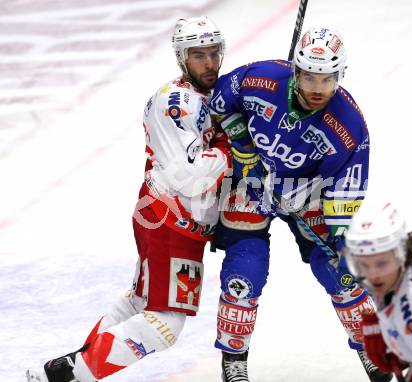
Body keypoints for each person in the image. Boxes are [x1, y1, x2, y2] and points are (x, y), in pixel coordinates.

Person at [26, 16, 231, 382]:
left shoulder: (211, 97)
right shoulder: (176, 101)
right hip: (171, 219)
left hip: (179, 221)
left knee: (140, 302)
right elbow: (186, 177)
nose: (210, 63)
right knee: (166, 323)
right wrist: (229, 150)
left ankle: (66, 369)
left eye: (213, 52)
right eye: (198, 55)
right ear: (182, 57)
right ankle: (71, 375)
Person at [209, 27, 392, 382]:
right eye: (309, 76)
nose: (317, 88)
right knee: (244, 272)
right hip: (249, 184)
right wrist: (244, 147)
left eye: (328, 78)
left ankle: (372, 352)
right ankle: (234, 358)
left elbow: (345, 189)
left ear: (340, 76)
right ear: (296, 70)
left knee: (340, 273)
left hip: (309, 193)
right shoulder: (259, 79)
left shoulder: (348, 125)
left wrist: (337, 237)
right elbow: (220, 101)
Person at [344, 202, 412, 382]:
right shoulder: (405, 267)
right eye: (363, 265)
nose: (372, 275)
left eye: (381, 264)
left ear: (400, 254)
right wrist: (404, 349)